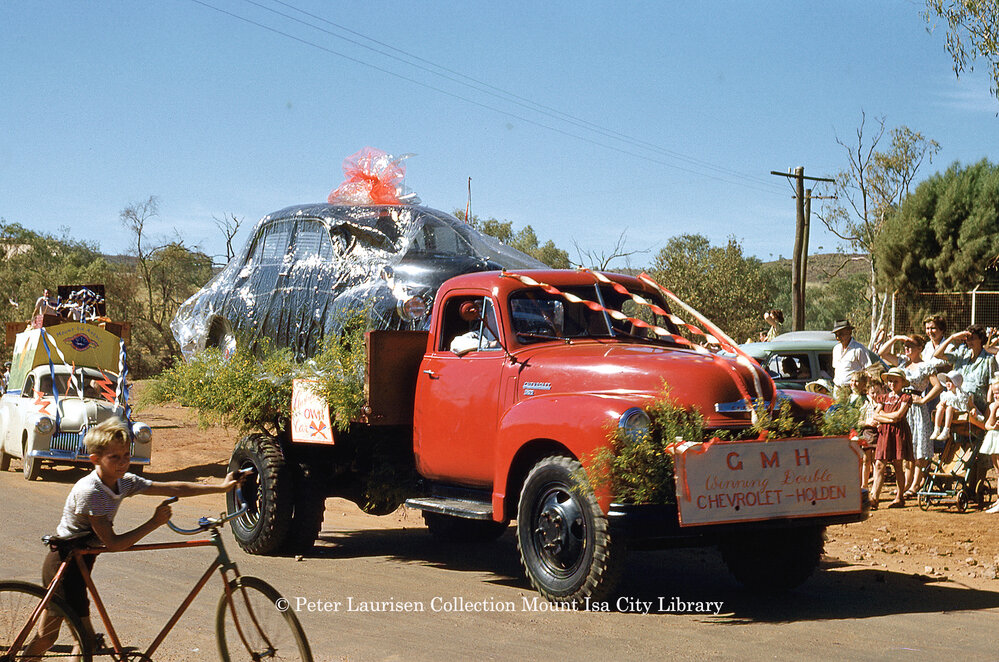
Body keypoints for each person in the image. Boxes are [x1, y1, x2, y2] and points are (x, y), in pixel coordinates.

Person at [23, 417, 242, 658]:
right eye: (114, 457)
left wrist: (221, 488)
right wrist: (153, 523)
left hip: (82, 560)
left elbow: (174, 488)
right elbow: (114, 544)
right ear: (95, 459)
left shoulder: (124, 483)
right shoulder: (91, 491)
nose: (122, 462)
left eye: (126, 455)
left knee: (82, 640)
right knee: (54, 637)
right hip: (64, 563)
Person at [878, 333, 944, 496]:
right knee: (905, 445)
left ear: (919, 348)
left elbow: (938, 386)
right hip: (899, 406)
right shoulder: (901, 362)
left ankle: (915, 484)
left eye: (910, 346)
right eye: (905, 346)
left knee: (918, 445)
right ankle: (905, 484)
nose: (906, 348)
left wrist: (923, 400)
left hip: (916, 408)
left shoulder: (925, 366)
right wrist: (896, 339)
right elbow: (882, 353)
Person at [870, 367, 913, 509]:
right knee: (879, 464)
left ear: (902, 382)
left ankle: (900, 497)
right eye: (890, 381)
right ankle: (874, 498)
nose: (892, 384)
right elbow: (875, 415)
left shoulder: (905, 397)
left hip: (898, 432)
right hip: (885, 431)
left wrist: (884, 416)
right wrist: (888, 420)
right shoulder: (884, 397)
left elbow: (899, 415)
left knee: (897, 464)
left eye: (896, 381)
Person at [933, 324, 998, 414]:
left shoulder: (989, 359)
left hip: (977, 406)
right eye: (968, 338)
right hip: (957, 403)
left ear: (981, 339)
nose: (969, 341)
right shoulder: (961, 354)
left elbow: (991, 385)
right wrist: (952, 337)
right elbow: (937, 355)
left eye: (973, 338)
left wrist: (988, 408)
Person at [831, 319, 872, 397]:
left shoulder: (859, 349)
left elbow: (868, 371)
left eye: (841, 334)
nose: (838, 338)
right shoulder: (836, 349)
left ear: (849, 332)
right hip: (837, 389)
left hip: (852, 390)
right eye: (836, 335)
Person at [930, 370, 972, 441]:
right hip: (947, 412)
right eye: (947, 381)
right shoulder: (945, 394)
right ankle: (937, 429)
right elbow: (937, 406)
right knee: (940, 408)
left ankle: (946, 430)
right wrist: (941, 404)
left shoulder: (961, 395)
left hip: (957, 411)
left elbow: (967, 405)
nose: (948, 383)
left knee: (949, 408)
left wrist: (972, 409)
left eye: (950, 382)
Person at [980, 397, 999, 513]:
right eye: (995, 393)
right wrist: (995, 408)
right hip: (994, 440)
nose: (997, 396)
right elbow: (987, 425)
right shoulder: (992, 406)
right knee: (997, 471)